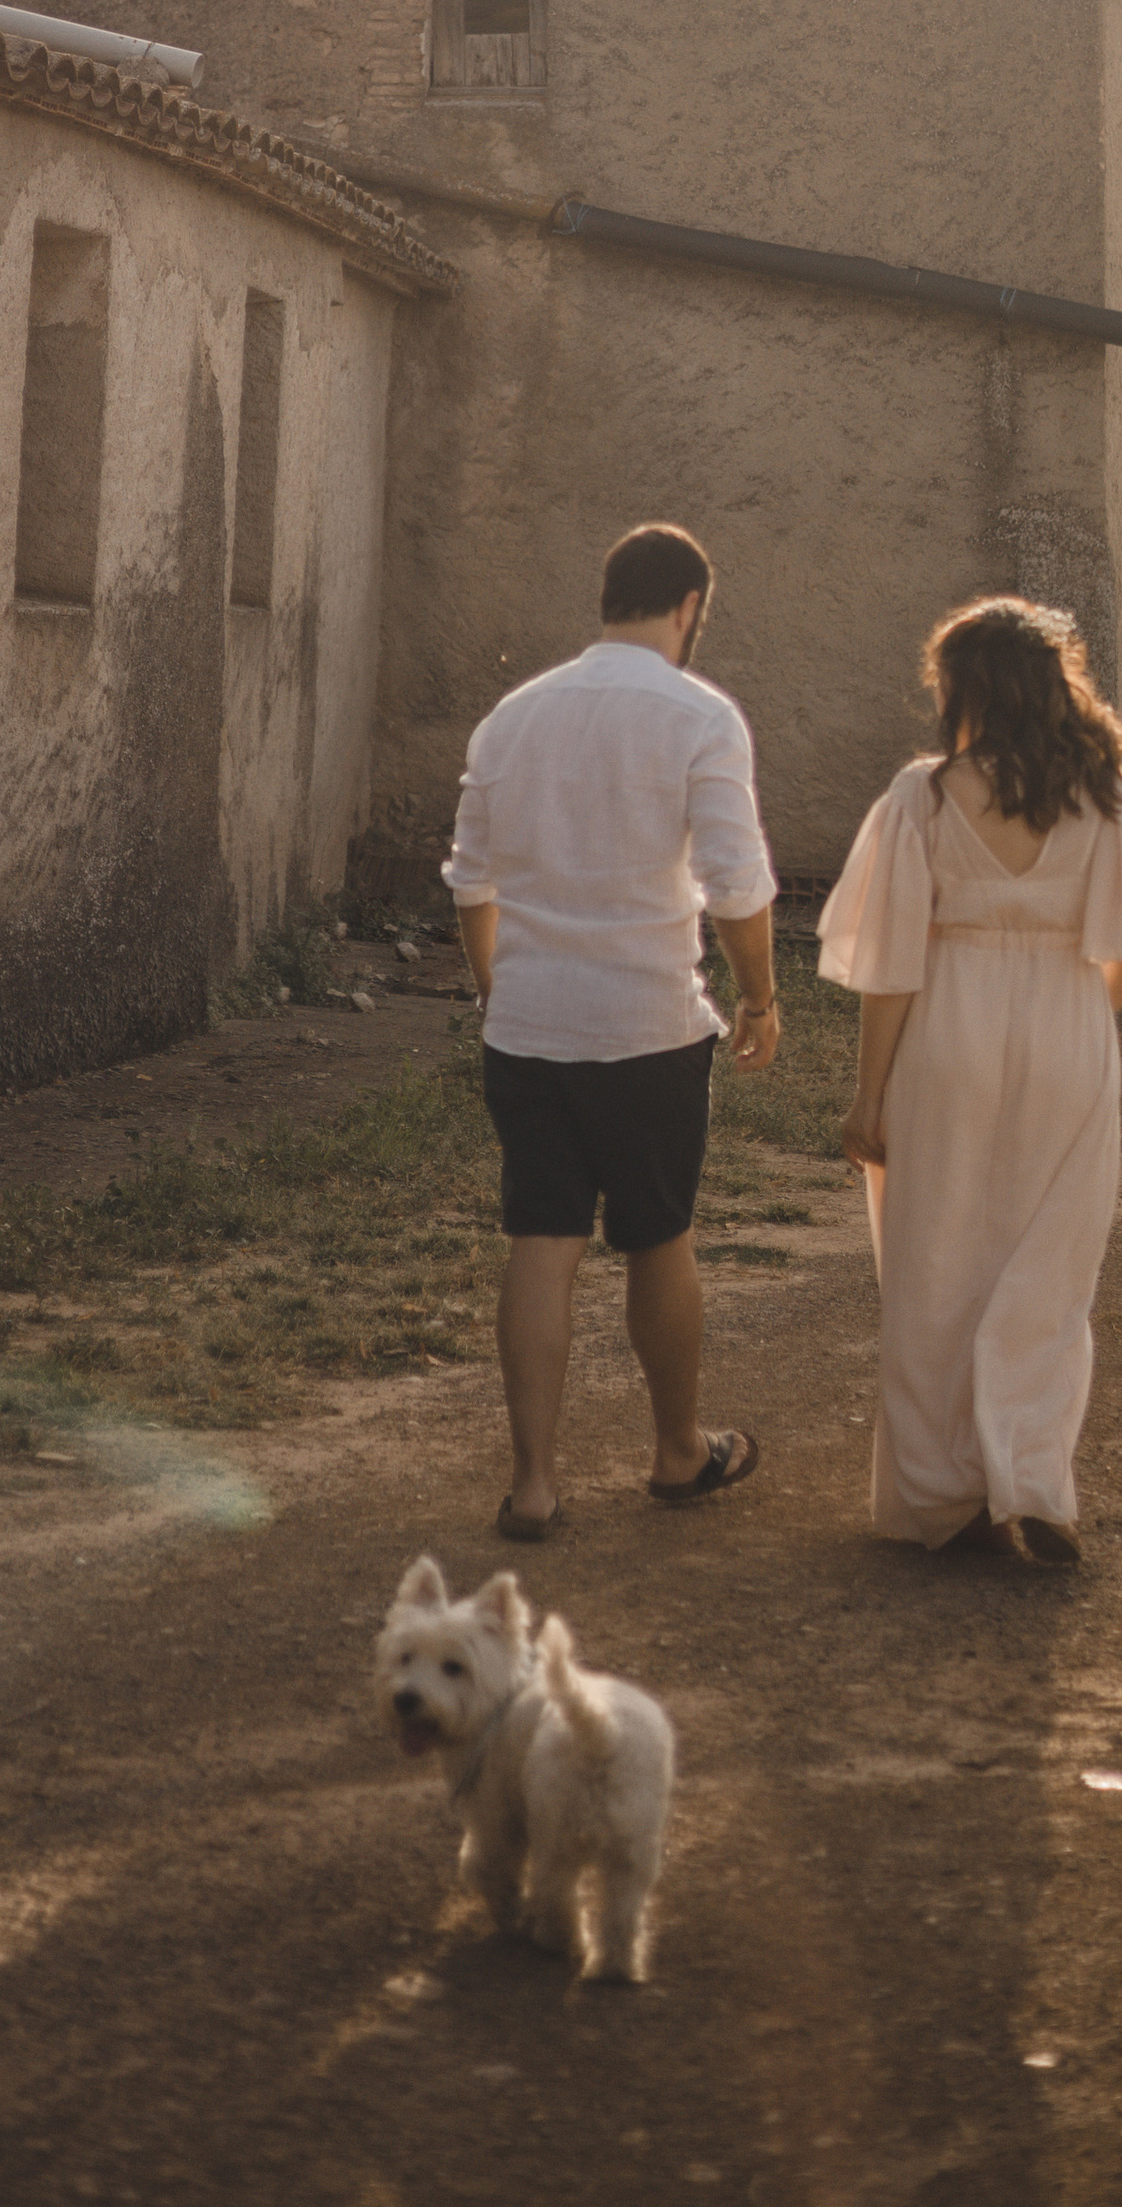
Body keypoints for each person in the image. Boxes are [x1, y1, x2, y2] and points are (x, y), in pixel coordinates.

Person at [818, 595, 1122, 1567]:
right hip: (1069, 1032)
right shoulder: (1112, 798)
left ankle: (944, 1497)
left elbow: (889, 965)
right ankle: (1029, 1478)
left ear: (966, 689)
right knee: (1050, 1274)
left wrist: (867, 1096)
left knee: (934, 1265)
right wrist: (1075, 1027)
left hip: (948, 1036)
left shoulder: (923, 799)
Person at [445, 521, 781, 1544]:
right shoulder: (699, 717)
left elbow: (471, 881)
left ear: (609, 599)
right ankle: (678, 1452)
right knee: (656, 1236)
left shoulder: (511, 717)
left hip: (531, 1026)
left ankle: (534, 1484)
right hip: (646, 1024)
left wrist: (496, 987)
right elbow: (736, 883)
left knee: (541, 1241)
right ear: (688, 609)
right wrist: (759, 997)